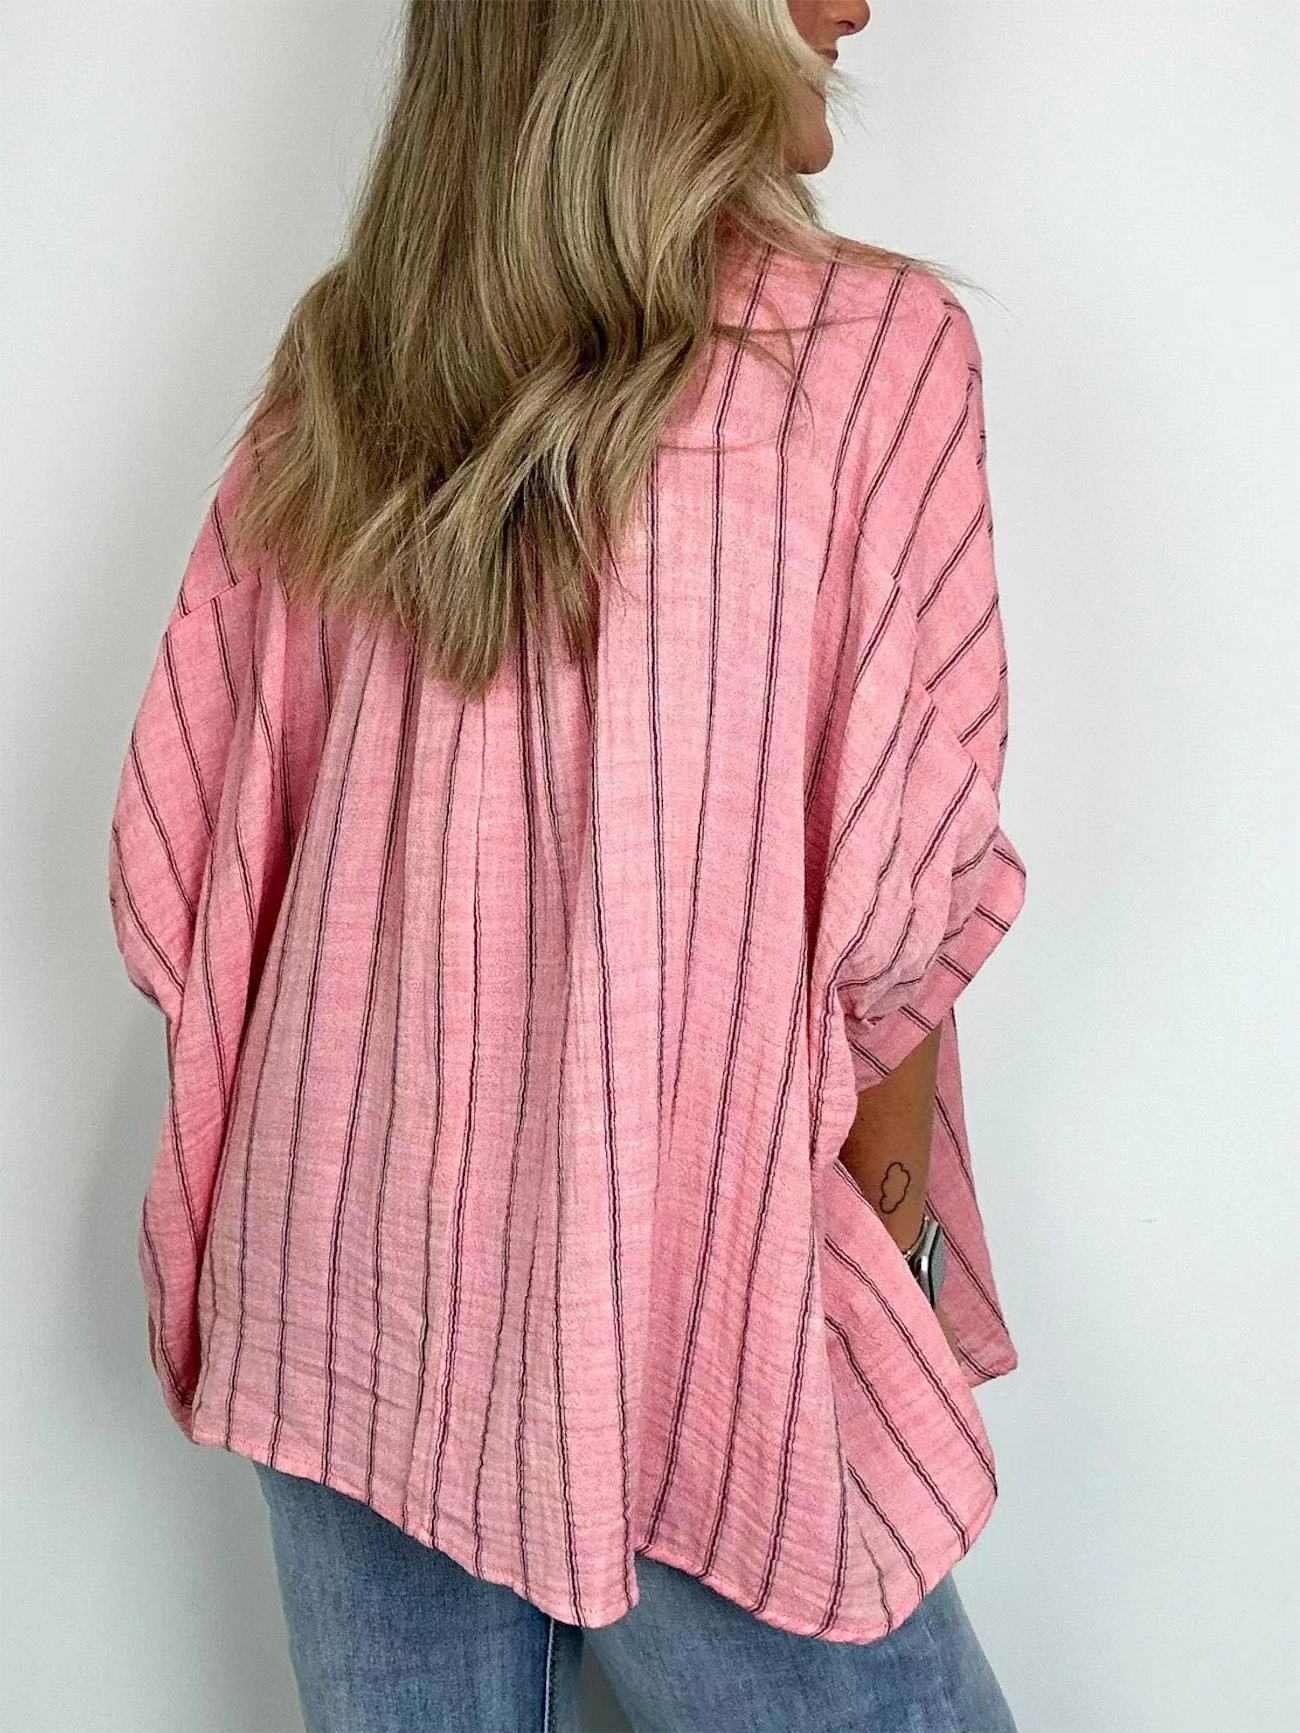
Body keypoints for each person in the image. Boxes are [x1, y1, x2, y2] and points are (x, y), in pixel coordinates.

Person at [106, 0, 1028, 1726]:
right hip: (700, 1322)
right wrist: (882, 1269)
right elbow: (905, 926)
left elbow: (192, 867)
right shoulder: (871, 360)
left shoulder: (350, 361)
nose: (863, 1)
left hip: (340, 1297)